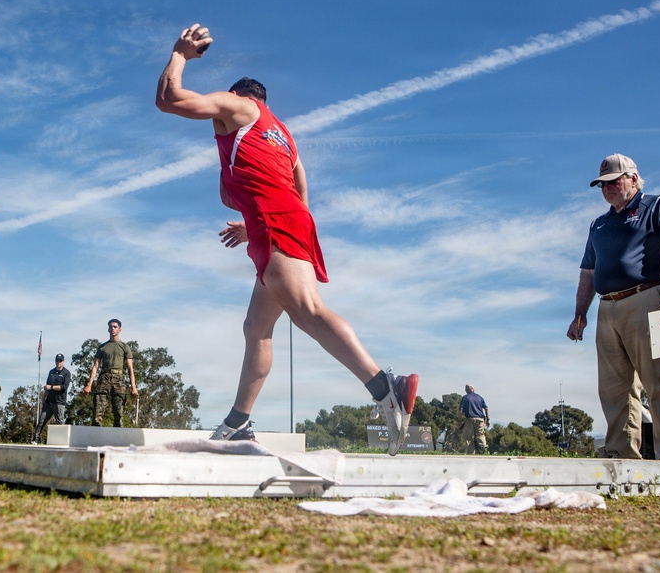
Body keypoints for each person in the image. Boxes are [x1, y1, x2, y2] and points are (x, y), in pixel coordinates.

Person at [155, 23, 419, 455]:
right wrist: (255, 224)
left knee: (308, 311)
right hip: (286, 220)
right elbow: (299, 190)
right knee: (256, 328)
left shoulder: (237, 105)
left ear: (241, 95)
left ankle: (384, 386)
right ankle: (238, 422)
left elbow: (169, 99)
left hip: (277, 222)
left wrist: (180, 54)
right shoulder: (284, 135)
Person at [566, 154, 660, 460]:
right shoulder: (599, 224)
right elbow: (588, 272)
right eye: (602, 185)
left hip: (647, 299)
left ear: (633, 179)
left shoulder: (658, 205)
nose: (607, 189)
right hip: (607, 307)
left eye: (613, 181)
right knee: (613, 389)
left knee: (658, 382)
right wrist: (580, 313)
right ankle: (621, 457)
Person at [83, 319, 139, 427]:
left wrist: (133, 387)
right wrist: (89, 385)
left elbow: (130, 368)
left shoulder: (124, 347)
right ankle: (95, 437)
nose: (112, 329)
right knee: (97, 411)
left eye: (115, 327)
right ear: (108, 329)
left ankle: (118, 437)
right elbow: (95, 366)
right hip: (104, 378)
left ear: (120, 329)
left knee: (118, 412)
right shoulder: (102, 347)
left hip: (119, 379)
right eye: (111, 327)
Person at [31, 353, 72, 445]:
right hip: (49, 401)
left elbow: (64, 387)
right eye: (57, 360)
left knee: (59, 423)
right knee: (41, 421)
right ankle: (35, 440)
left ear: (63, 362)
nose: (58, 362)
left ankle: (61, 441)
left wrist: (51, 387)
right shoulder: (51, 372)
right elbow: (46, 387)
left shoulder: (66, 373)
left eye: (60, 361)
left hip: (59, 402)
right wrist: (43, 398)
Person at [458, 384, 490, 454]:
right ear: (473, 389)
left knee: (468, 438)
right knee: (480, 435)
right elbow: (486, 408)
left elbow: (460, 411)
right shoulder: (479, 397)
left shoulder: (465, 398)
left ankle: (471, 454)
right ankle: (485, 450)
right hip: (480, 419)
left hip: (469, 419)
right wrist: (488, 420)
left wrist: (459, 421)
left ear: (466, 390)